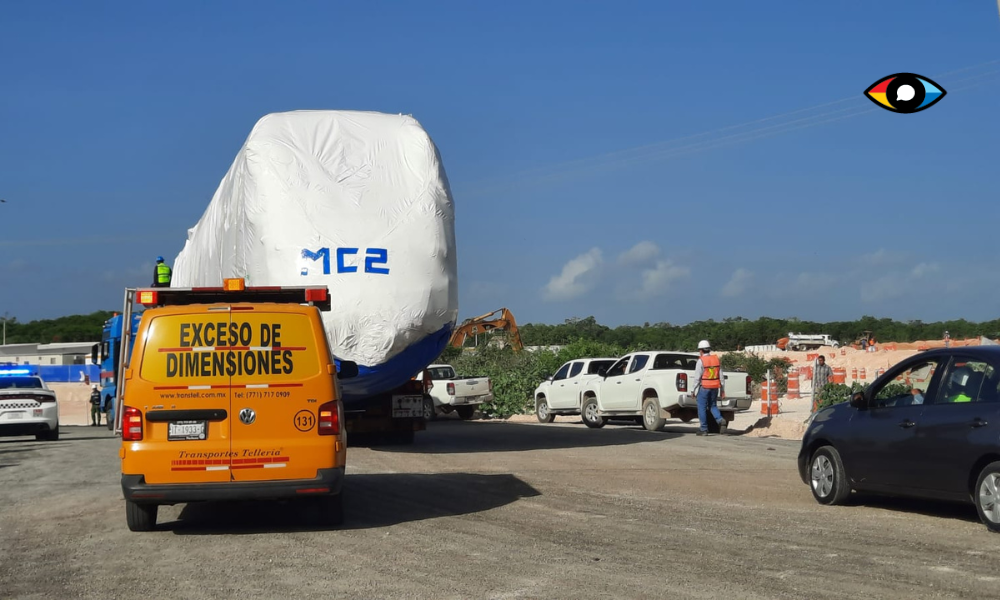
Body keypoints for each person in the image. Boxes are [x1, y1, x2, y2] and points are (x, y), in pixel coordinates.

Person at [692, 339, 727, 436]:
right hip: (715, 387)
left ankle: (703, 429)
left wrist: (693, 390)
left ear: (701, 350)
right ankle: (720, 419)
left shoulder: (701, 361)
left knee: (702, 407)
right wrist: (723, 390)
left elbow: (697, 378)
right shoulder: (716, 359)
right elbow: (721, 377)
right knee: (713, 405)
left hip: (705, 387)